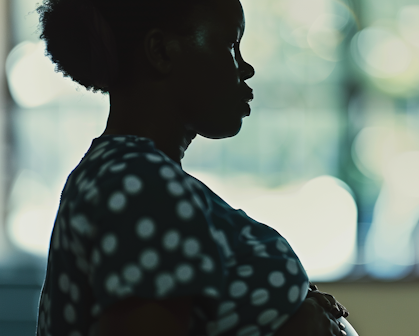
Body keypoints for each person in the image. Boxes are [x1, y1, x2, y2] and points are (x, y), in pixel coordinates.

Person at [34, 0, 351, 335]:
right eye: (230, 45)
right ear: (160, 52)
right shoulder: (140, 186)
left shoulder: (130, 175)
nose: (246, 68)